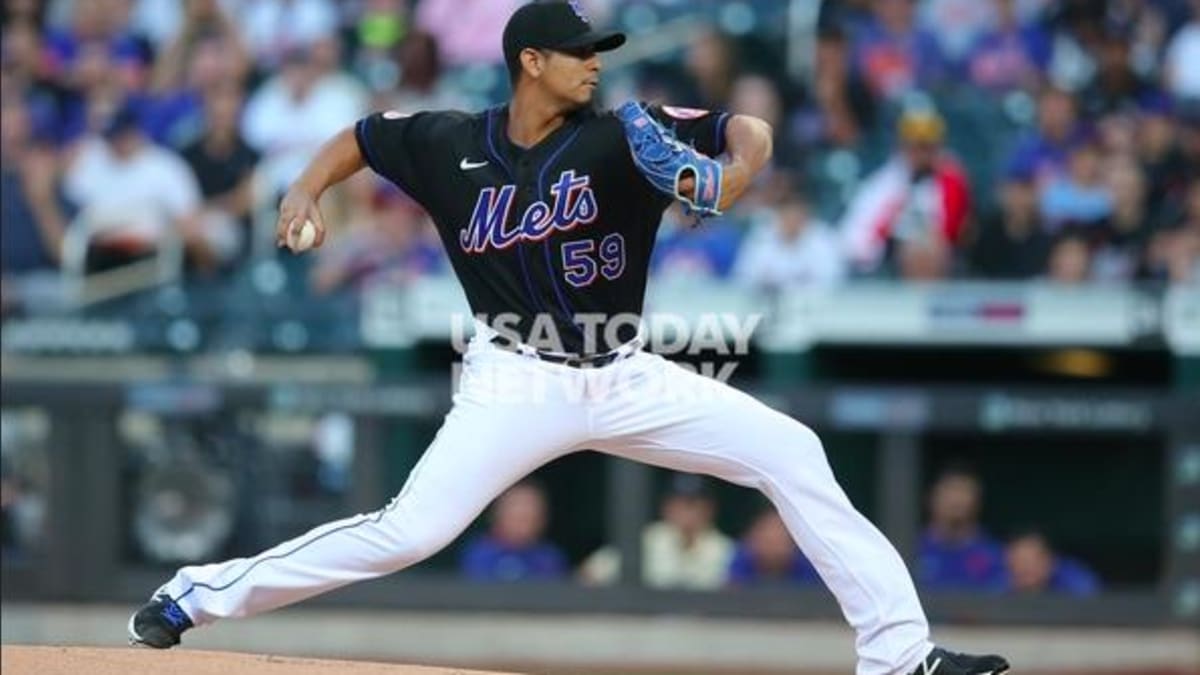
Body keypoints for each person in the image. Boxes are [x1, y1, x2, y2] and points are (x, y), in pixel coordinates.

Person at [127, 4, 1009, 674]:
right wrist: (302, 191)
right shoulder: (447, 143)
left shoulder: (625, 134)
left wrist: (732, 171)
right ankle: (194, 593)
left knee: (792, 449)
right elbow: (357, 138)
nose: (595, 64)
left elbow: (751, 128)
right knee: (407, 532)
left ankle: (900, 654)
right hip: (514, 378)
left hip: (625, 374)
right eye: (581, 53)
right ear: (531, 62)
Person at [578, 473, 734, 590]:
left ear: (709, 509)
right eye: (680, 504)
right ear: (666, 508)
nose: (687, 512)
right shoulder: (648, 539)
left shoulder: (726, 549)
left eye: (693, 504)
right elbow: (590, 573)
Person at [918, 465, 1007, 591]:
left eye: (964, 491)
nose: (957, 499)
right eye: (950, 490)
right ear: (931, 497)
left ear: (977, 501)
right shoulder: (912, 549)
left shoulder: (993, 554)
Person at [459, 481, 568, 583]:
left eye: (529, 516)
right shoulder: (479, 554)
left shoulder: (549, 558)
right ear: (497, 514)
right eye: (517, 515)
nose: (524, 513)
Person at [726, 507, 820, 587]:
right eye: (767, 540)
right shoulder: (740, 564)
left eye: (779, 539)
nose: (773, 547)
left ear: (793, 541)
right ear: (752, 539)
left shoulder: (810, 568)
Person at [1004, 530, 1100, 596]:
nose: (1025, 568)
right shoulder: (998, 588)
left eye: (1031, 561)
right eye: (1019, 561)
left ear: (1051, 562)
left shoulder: (1075, 587)